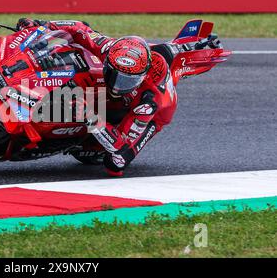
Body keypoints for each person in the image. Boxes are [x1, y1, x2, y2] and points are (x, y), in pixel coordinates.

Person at [16, 18, 178, 177]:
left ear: (140, 78)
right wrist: (42, 25)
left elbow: (120, 145)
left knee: (116, 163)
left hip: (153, 115)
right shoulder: (108, 48)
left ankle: (85, 143)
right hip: (123, 77)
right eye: (115, 75)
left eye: (127, 81)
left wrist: (88, 114)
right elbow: (79, 28)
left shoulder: (148, 102)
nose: (117, 86)